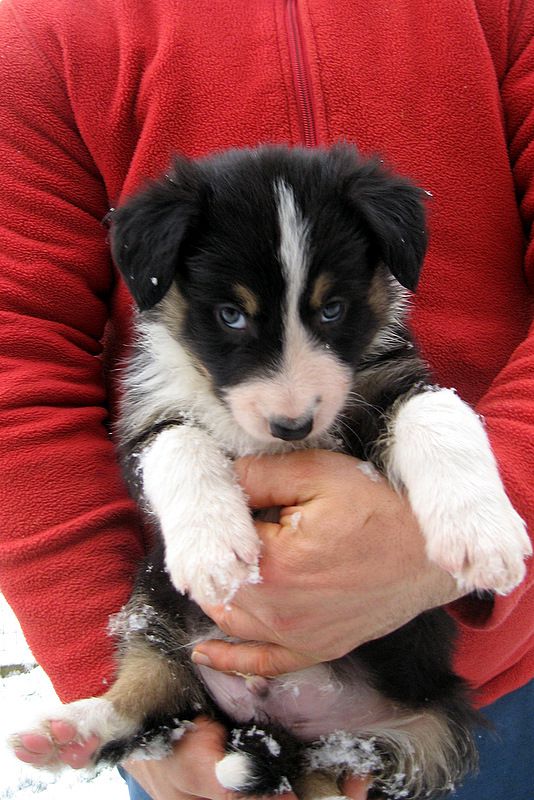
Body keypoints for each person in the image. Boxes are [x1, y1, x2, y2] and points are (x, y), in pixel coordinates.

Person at [0, 1, 533, 798]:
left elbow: (416, 407)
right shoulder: (40, 33)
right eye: (230, 317)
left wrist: (502, 498)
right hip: (203, 693)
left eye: (330, 312)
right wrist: (106, 658)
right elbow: (16, 363)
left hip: (475, 669)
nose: (293, 396)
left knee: (420, 412)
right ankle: (140, 717)